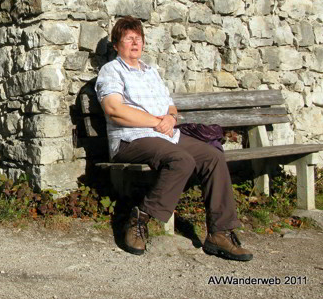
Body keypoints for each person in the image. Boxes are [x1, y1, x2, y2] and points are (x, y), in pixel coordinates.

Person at [95, 16, 252, 261]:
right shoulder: (111, 71)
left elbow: (171, 107)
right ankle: (140, 218)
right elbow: (115, 110)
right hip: (131, 140)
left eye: (139, 38)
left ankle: (219, 232)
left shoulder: (151, 72)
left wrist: (170, 118)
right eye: (128, 38)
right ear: (117, 45)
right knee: (181, 159)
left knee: (212, 156)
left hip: (166, 135)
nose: (135, 43)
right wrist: (157, 122)